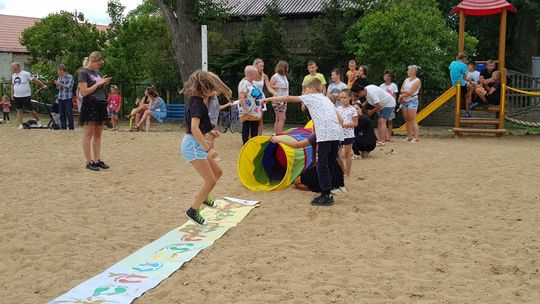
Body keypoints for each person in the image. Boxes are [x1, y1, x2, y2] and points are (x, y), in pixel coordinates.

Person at [263, 78, 343, 206]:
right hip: (336, 133)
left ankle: (326, 195)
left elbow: (288, 98)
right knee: (330, 163)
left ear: (311, 89)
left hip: (326, 134)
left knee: (322, 165)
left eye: (304, 89)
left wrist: (267, 99)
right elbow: (341, 119)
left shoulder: (313, 96)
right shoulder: (326, 99)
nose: (303, 92)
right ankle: (329, 189)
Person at [180, 70, 232, 226]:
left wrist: (210, 131)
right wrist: (208, 149)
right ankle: (193, 211)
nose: (215, 92)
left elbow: (198, 126)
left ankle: (203, 196)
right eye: (213, 88)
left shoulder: (198, 100)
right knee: (210, 181)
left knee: (218, 172)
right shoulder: (197, 103)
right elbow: (194, 128)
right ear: (205, 88)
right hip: (193, 145)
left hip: (196, 143)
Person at [271, 133, 345, 193]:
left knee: (297, 182)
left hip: (320, 170)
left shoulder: (316, 136)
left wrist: (279, 140)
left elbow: (297, 145)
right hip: (335, 169)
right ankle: (327, 186)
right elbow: (339, 159)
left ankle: (317, 188)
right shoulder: (335, 135)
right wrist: (341, 175)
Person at [78, 51, 111, 171]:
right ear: (93, 60)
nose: (99, 66)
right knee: (88, 134)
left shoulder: (97, 72)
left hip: (101, 104)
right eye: (99, 63)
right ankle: (89, 161)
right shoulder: (83, 72)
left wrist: (103, 84)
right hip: (90, 104)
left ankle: (97, 160)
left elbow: (98, 86)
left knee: (98, 135)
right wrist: (98, 84)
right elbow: (85, 91)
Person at [11, 62, 48, 129]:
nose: (12, 69)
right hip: (17, 96)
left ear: (17, 67)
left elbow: (35, 80)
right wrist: (12, 94)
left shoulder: (26, 74)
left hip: (25, 96)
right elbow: (13, 85)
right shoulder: (13, 75)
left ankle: (38, 121)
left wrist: (43, 85)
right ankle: (20, 124)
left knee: (30, 110)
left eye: (12, 67)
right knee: (19, 110)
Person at [239, 65, 264, 144]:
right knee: (246, 128)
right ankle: (245, 145)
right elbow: (241, 97)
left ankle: (252, 145)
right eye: (255, 73)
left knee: (254, 129)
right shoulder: (244, 83)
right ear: (251, 74)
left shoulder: (253, 84)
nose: (257, 75)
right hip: (248, 111)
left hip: (255, 112)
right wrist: (245, 110)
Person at [336, 89, 358, 177]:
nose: (342, 99)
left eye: (344, 97)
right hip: (338, 134)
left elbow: (355, 123)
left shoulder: (353, 110)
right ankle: (343, 170)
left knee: (347, 154)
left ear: (349, 98)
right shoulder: (337, 109)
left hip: (348, 134)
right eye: (341, 98)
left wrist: (346, 125)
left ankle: (347, 173)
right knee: (337, 154)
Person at [253, 58, 276, 136]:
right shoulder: (251, 74)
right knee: (251, 120)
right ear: (256, 66)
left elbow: (269, 88)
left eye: (263, 66)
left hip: (261, 99)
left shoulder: (264, 76)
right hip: (252, 98)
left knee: (260, 120)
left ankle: (259, 137)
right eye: (260, 66)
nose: (262, 68)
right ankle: (251, 138)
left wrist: (276, 94)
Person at [399, 66, 422, 142]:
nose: (407, 72)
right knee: (406, 119)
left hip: (413, 100)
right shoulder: (406, 80)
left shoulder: (417, 81)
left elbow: (411, 92)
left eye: (408, 70)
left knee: (412, 119)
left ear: (413, 71)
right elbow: (401, 90)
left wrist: (403, 94)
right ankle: (409, 137)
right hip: (405, 100)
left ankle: (416, 138)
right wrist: (405, 93)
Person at [269, 60, 289, 134]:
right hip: (278, 100)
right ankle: (279, 134)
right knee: (282, 118)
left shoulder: (284, 76)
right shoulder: (275, 76)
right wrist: (280, 87)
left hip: (284, 99)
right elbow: (270, 86)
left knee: (278, 118)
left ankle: (276, 133)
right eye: (286, 68)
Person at [54, 64, 75, 130]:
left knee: (69, 114)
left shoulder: (70, 77)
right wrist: (58, 84)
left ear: (62, 70)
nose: (57, 72)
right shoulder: (59, 77)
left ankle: (71, 128)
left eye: (58, 70)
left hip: (68, 98)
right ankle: (63, 128)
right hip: (60, 97)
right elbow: (58, 88)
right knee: (61, 114)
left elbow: (69, 87)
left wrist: (60, 84)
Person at [379, 71, 399, 142]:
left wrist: (394, 105)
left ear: (390, 77)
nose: (384, 77)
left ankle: (389, 136)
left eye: (386, 76)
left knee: (390, 121)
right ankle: (384, 136)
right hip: (383, 105)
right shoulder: (381, 86)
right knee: (383, 121)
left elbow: (394, 96)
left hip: (390, 105)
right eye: (384, 76)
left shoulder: (393, 86)